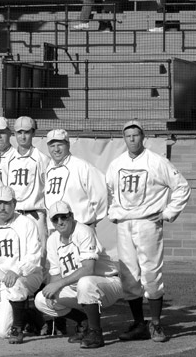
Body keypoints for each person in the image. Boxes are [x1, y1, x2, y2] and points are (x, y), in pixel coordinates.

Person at [106, 120, 191, 343]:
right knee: (129, 275)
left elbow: (181, 186)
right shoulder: (116, 164)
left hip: (147, 223)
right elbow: (109, 190)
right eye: (128, 136)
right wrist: (114, 212)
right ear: (123, 138)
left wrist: (166, 213)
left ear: (143, 137)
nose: (132, 139)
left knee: (151, 273)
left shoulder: (156, 161)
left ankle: (156, 323)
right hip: (125, 225)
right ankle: (138, 324)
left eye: (136, 135)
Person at [34, 201, 122, 349]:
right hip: (80, 289)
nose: (60, 222)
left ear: (72, 216)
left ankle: (95, 333)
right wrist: (53, 290)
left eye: (64, 217)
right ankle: (83, 322)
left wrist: (58, 284)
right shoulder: (52, 240)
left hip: (107, 283)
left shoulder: (83, 231)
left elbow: (89, 269)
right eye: (55, 219)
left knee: (85, 282)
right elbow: (55, 275)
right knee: (41, 299)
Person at [0, 186, 43, 343]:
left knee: (16, 284)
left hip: (29, 275)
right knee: (2, 331)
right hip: (5, 282)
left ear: (14, 203)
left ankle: (18, 329)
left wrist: (16, 271)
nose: (2, 207)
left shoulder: (27, 223)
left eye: (6, 203)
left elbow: (34, 256)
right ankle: (29, 315)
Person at [44, 129, 107, 228]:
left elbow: (101, 194)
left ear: (68, 145)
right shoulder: (47, 169)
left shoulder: (82, 166)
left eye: (60, 144)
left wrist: (92, 220)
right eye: (52, 146)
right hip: (55, 229)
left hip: (81, 227)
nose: (56, 149)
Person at [8, 116, 50, 249]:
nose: (22, 136)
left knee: (40, 253)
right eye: (19, 132)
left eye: (26, 132)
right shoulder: (8, 160)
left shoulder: (43, 159)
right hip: (14, 215)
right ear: (14, 134)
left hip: (36, 215)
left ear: (33, 133)